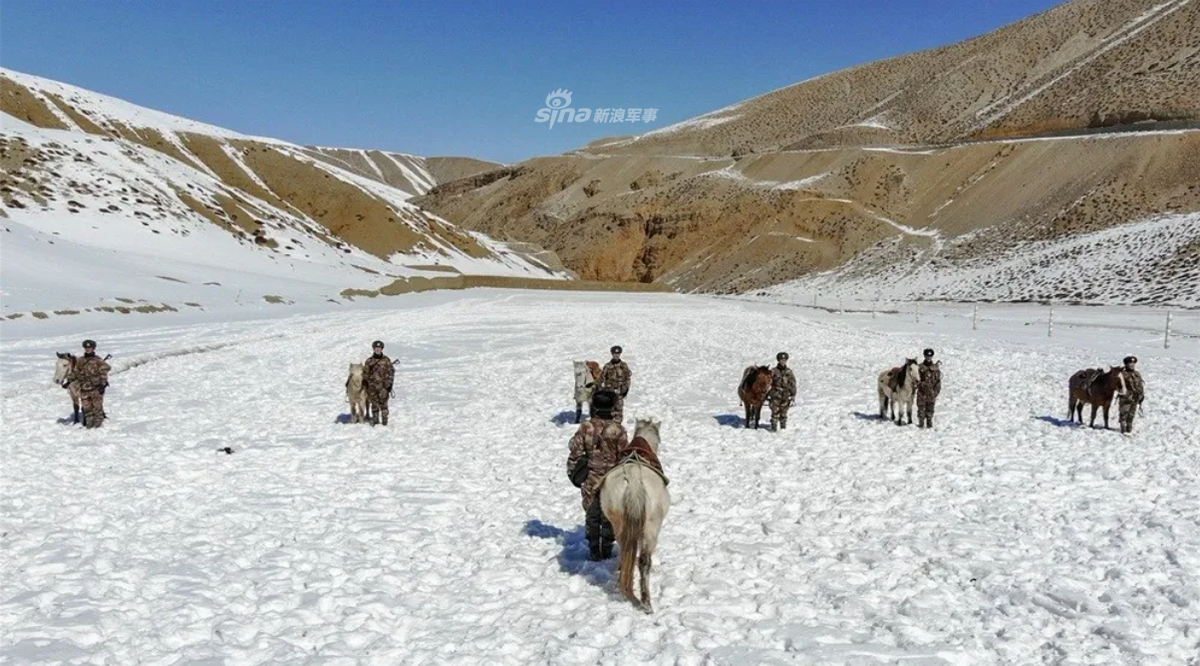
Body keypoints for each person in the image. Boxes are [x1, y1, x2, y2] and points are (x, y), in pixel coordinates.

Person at [566, 390, 628, 561]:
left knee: (592, 514)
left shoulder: (586, 427)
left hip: (591, 478)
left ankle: (594, 550)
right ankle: (607, 549)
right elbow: (625, 457)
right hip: (612, 480)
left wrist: (575, 471)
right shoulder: (619, 430)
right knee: (609, 515)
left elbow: (575, 449)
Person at [69, 339, 110, 428]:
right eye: (86, 348)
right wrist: (69, 380)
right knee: (87, 410)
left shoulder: (97, 360)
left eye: (90, 348)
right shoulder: (80, 360)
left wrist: (103, 382)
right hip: (84, 389)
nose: (88, 349)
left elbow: (105, 369)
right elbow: (75, 372)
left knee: (97, 409)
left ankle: (98, 427)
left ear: (93, 348)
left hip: (96, 388)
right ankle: (89, 426)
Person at [363, 340, 395, 426]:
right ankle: (376, 421)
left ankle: (385, 421)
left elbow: (391, 372)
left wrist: (390, 385)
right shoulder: (369, 361)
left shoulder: (386, 360)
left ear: (382, 349)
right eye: (376, 348)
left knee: (384, 405)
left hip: (383, 387)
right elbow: (365, 374)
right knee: (374, 405)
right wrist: (368, 383)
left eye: (379, 348)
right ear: (373, 349)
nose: (378, 349)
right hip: (372, 387)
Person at [597, 345, 632, 422]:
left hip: (620, 392)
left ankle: (618, 427)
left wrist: (625, 390)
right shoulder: (607, 366)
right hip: (609, 393)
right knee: (609, 411)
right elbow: (601, 379)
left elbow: (627, 378)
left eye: (618, 354)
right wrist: (602, 391)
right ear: (612, 354)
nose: (616, 355)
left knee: (619, 410)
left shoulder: (624, 366)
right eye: (614, 354)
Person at [768, 352, 797, 431]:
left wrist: (793, 395)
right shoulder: (773, 371)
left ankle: (783, 429)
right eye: (781, 360)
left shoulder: (789, 371)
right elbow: (768, 383)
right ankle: (773, 429)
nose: (783, 361)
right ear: (778, 360)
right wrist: (767, 394)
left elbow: (793, 384)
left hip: (786, 395)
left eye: (784, 360)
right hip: (775, 395)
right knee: (775, 413)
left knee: (784, 413)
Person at [1118, 355, 1145, 434]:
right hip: (1126, 397)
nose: (1132, 365)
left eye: (1133, 363)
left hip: (1135, 396)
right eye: (1130, 363)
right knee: (1124, 412)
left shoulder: (1137, 373)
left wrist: (1141, 394)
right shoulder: (1122, 374)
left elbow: (1140, 384)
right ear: (1126, 364)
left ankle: (1129, 426)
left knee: (1132, 412)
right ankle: (1123, 426)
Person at [916, 348, 942, 429]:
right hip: (921, 394)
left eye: (930, 357)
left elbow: (938, 382)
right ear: (924, 356)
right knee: (921, 411)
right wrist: (921, 385)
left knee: (930, 411)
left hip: (932, 394)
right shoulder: (919, 367)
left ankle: (929, 426)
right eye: (927, 356)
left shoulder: (936, 368)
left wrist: (935, 393)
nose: (928, 358)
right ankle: (920, 426)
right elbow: (915, 380)